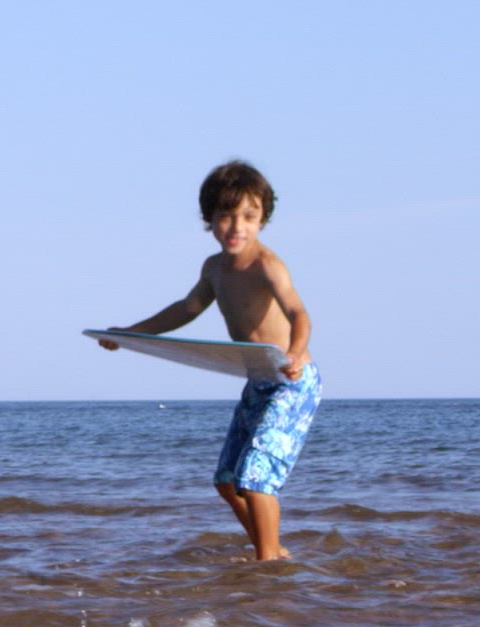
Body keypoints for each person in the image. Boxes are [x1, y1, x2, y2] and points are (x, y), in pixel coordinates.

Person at [98, 160, 321, 561]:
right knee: (227, 481)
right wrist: (130, 333)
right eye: (226, 216)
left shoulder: (267, 265)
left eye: (249, 217)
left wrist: (295, 352)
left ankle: (268, 564)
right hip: (258, 381)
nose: (237, 227)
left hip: (292, 380)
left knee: (256, 480)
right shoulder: (214, 268)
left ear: (262, 220)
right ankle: (273, 552)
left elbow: (299, 313)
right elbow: (186, 309)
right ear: (209, 219)